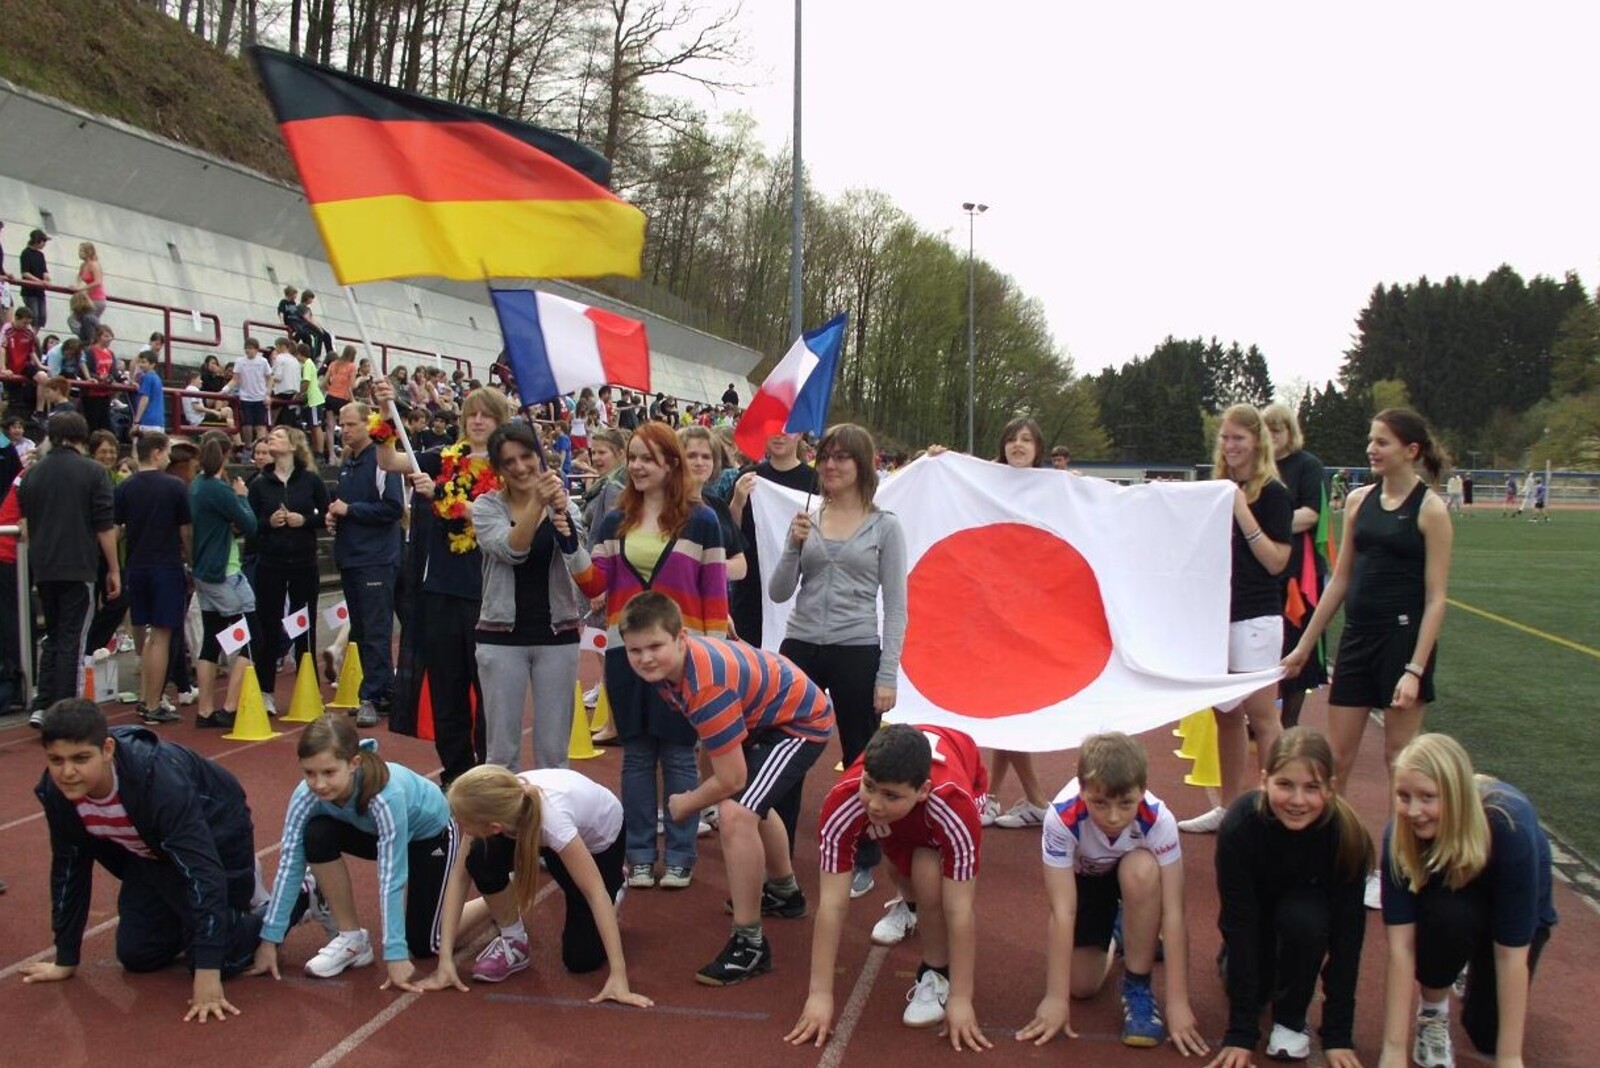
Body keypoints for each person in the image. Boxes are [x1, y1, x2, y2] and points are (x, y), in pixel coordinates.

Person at [615, 591, 833, 986]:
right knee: (749, 804)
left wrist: (686, 803)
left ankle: (750, 945)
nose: (645, 658)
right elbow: (714, 743)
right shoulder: (672, 670)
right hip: (765, 715)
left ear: (681, 638)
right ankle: (785, 893)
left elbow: (732, 779)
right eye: (635, 650)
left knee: (736, 812)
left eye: (655, 646)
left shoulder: (705, 686)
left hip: (799, 724)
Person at [1283, 407, 1452, 909]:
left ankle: (1398, 868)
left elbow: (1437, 597)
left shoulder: (1430, 510)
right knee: (1337, 761)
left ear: (1411, 450)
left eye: (1382, 442)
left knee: (1402, 765)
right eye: (1371, 440)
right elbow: (1339, 581)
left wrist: (1415, 670)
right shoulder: (1359, 501)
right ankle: (1336, 857)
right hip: (1358, 642)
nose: (1371, 449)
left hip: (1402, 647)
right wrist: (1305, 645)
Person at [554, 422, 728, 892]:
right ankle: (636, 853)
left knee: (678, 755)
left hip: (684, 656)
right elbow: (594, 586)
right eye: (632, 457)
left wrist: (713, 655)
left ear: (671, 462)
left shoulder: (702, 520)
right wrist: (571, 543)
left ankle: (680, 854)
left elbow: (713, 592)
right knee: (635, 756)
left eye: (648, 458)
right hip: (624, 652)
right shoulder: (615, 521)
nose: (636, 466)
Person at [24, 699, 263, 1022]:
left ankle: (295, 900)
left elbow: (204, 873)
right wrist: (66, 958)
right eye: (56, 760)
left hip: (218, 835)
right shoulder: (58, 794)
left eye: (81, 758)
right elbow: (69, 870)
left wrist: (207, 975)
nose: (67, 772)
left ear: (107, 749)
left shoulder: (159, 784)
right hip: (152, 853)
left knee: (221, 957)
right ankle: (194, 917)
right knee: (138, 955)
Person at [790, 725, 991, 1050]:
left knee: (928, 872)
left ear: (923, 790)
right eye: (869, 786)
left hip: (962, 773)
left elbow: (960, 909)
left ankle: (936, 972)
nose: (875, 803)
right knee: (900, 857)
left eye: (889, 795)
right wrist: (819, 995)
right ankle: (910, 905)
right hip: (911, 814)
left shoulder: (955, 806)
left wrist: (962, 998)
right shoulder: (845, 802)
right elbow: (832, 904)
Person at [769, 422, 906, 896]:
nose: (829, 464)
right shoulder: (807, 518)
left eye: (841, 457)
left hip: (856, 650)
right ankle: (778, 859)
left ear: (862, 465)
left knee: (860, 760)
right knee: (782, 752)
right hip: (800, 646)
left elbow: (897, 606)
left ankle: (863, 856)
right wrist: (792, 545)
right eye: (825, 456)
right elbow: (779, 591)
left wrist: (887, 673)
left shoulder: (884, 526)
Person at [1020, 732, 1205, 1054]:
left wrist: (1178, 1002)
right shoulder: (1061, 819)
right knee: (1082, 987)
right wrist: (1055, 996)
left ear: (1142, 792)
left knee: (1142, 869)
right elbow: (1063, 910)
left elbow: (1174, 912)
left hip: (1135, 874)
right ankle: (1122, 933)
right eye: (1100, 803)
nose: (1114, 817)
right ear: (1082, 790)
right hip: (1088, 880)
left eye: (1125, 803)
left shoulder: (1159, 819)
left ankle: (1138, 985)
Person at [1378, 733, 1555, 1068]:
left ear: (1456, 796)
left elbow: (1511, 956)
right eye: (1403, 796)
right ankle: (1434, 1010)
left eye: (1428, 797)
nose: (1414, 811)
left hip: (1512, 910)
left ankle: (1466, 962)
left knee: (1489, 1035)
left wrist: (1511, 1058)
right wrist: (1393, 1051)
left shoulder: (1510, 827)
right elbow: (1400, 948)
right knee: (1449, 919)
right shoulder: (1398, 838)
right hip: (1454, 904)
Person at [251, 715, 457, 989]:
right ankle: (351, 938)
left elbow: (391, 878)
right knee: (316, 834)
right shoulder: (306, 796)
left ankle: (480, 908)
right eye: (309, 773)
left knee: (423, 944)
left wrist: (394, 953)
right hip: (371, 832)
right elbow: (290, 862)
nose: (319, 784)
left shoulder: (386, 796)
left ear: (354, 764)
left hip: (430, 836)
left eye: (329, 772)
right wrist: (270, 939)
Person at [374, 378, 511, 784]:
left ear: (501, 420)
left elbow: (502, 517)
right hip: (440, 591)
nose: (479, 421)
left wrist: (441, 496)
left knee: (489, 692)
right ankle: (456, 771)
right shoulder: (441, 457)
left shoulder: (510, 467)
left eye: (487, 415)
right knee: (447, 688)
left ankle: (490, 772)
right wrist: (384, 414)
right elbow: (389, 461)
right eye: (472, 414)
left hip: (488, 594)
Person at [1209, 728, 1370, 1068]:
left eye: (1312, 788)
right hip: (1257, 921)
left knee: (1304, 920)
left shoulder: (1348, 836)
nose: (1298, 800)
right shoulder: (1240, 826)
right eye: (1285, 785)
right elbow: (1240, 923)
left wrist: (1338, 1034)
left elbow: (1347, 938)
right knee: (1248, 978)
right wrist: (1242, 1032)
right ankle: (1258, 972)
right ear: (1265, 780)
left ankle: (1291, 1019)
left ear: (1330, 787)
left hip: (1306, 920)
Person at [424, 764, 652, 1004]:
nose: (461, 828)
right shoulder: (493, 808)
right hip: (537, 829)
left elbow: (595, 892)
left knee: (581, 959)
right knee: (479, 857)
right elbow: (460, 878)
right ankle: (514, 941)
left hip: (599, 843)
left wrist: (619, 976)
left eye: (463, 823)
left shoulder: (554, 823)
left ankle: (616, 885)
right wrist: (445, 961)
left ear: (494, 828)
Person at [1180, 405, 1292, 834]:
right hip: (1215, 617)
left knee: (1262, 717)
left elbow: (1276, 561)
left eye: (1238, 439)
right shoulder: (1214, 489)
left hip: (1255, 617)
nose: (1230, 446)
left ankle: (1272, 807)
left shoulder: (1274, 494)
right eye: (1225, 439)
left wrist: (1241, 510)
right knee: (1224, 715)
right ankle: (1229, 807)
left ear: (1257, 442)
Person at [470, 422, 585, 772]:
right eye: (509, 462)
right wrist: (538, 503)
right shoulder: (486, 508)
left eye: (525, 457)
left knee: (554, 753)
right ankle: (502, 825)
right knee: (501, 754)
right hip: (500, 636)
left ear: (540, 457)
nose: (519, 467)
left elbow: (581, 565)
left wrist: (566, 525)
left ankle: (553, 823)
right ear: (498, 469)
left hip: (557, 635)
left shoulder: (567, 507)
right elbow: (511, 550)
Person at [17, 412, 119, 725]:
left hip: (44, 564)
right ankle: (63, 710)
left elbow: (24, 524)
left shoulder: (33, 474)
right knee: (73, 640)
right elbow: (104, 526)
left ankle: (42, 702)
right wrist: (113, 568)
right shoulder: (93, 472)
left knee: (53, 635)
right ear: (82, 437)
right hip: (78, 565)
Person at [329, 402, 404, 727]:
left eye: (351, 425)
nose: (345, 430)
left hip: (376, 558)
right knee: (360, 631)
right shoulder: (349, 462)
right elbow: (349, 508)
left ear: (367, 424)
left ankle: (371, 696)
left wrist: (350, 511)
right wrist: (337, 518)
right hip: (351, 556)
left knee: (375, 629)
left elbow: (393, 508)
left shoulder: (381, 460)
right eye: (342, 425)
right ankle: (385, 689)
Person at [248, 426, 328, 713]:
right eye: (270, 437)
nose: (272, 439)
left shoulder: (310, 481)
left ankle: (308, 688)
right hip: (271, 563)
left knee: (303, 624)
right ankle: (265, 691)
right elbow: (250, 524)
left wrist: (303, 520)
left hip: (304, 563)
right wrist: (269, 523)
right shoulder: (259, 484)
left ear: (294, 445)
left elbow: (327, 515)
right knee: (268, 625)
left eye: (278, 436)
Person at [114, 431, 192, 724]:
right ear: (157, 452)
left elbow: (116, 528)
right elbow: (185, 530)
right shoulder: (174, 486)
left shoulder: (126, 487)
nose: (170, 457)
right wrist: (191, 559)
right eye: (167, 451)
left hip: (137, 564)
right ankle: (153, 702)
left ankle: (148, 697)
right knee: (161, 635)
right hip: (165, 564)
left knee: (148, 636)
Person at [1262, 403, 1330, 731]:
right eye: (1267, 430)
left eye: (1277, 430)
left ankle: (1290, 719)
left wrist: (1269, 524)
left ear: (1290, 431)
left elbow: (1313, 513)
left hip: (1299, 574)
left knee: (1295, 645)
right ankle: (1259, 714)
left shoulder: (1308, 466)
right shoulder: (1258, 467)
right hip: (1263, 569)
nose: (1272, 437)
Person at [190, 432, 258, 728]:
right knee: (251, 634)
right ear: (227, 455)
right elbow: (250, 524)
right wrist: (242, 497)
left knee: (211, 638)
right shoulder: (219, 489)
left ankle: (205, 709)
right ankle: (229, 706)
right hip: (224, 571)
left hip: (205, 569)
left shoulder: (196, 486)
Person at [727, 429, 817, 647]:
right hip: (752, 590)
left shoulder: (816, 481)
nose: (779, 436)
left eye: (787, 431)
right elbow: (731, 536)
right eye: (773, 430)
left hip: (801, 587)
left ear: (799, 436)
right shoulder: (748, 477)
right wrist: (738, 501)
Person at [230, 337, 272, 445]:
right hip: (245, 397)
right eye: (246, 348)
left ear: (256, 350)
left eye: (250, 348)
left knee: (261, 425)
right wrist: (225, 389)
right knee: (247, 425)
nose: (248, 350)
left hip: (260, 397)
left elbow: (270, 378)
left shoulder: (263, 362)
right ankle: (248, 447)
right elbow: (235, 379)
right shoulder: (240, 361)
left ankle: (260, 447)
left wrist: (267, 394)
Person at [131, 348, 166, 435]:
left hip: (147, 421)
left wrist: (136, 420)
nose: (141, 365)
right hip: (159, 422)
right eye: (140, 362)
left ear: (152, 364)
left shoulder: (148, 377)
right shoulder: (156, 378)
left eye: (144, 362)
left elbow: (144, 399)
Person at [18, 228, 49, 328]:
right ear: (38, 241)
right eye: (43, 241)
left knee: (42, 317)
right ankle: (31, 334)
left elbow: (44, 270)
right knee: (33, 316)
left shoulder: (41, 255)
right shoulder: (25, 253)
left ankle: (34, 335)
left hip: (40, 290)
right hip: (29, 291)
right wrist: (39, 281)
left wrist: (46, 277)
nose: (44, 244)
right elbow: (25, 273)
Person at [75, 242, 107, 318]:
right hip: (87, 299)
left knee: (88, 322)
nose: (79, 253)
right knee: (77, 319)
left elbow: (98, 282)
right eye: (79, 251)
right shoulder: (83, 265)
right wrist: (77, 286)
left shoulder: (94, 265)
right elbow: (79, 277)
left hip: (97, 299)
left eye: (82, 251)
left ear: (88, 252)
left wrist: (82, 288)